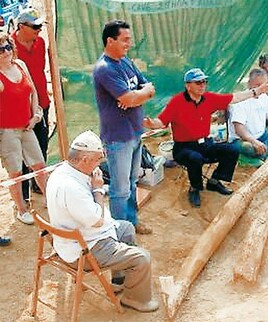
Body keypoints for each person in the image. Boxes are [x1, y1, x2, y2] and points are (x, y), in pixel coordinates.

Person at [46, 130, 158, 312]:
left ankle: (119, 281)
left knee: (127, 228)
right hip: (84, 249)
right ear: (84, 160)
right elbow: (97, 221)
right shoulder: (72, 188)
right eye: (98, 159)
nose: (100, 164)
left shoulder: (60, 172)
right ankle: (135, 299)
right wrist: (98, 190)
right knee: (142, 258)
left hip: (75, 238)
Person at [143, 68, 268, 208]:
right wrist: (151, 124)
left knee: (231, 150)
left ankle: (214, 181)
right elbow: (161, 121)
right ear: (188, 85)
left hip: (205, 143)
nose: (202, 85)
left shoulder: (208, 99)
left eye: (204, 81)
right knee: (195, 158)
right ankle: (195, 188)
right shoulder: (177, 102)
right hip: (183, 147)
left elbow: (234, 98)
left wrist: (257, 91)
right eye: (198, 82)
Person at [92, 20, 155, 234]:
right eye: (125, 39)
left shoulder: (125, 61)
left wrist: (139, 95)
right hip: (118, 138)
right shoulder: (104, 69)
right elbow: (129, 98)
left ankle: (132, 222)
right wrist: (134, 96)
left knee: (132, 183)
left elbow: (148, 86)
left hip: (135, 132)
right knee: (120, 190)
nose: (129, 43)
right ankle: (118, 231)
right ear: (110, 41)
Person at [0, 32, 47, 225]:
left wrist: (36, 115)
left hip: (27, 126)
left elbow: (33, 91)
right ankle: (21, 209)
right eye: (0, 50)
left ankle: (52, 200)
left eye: (7, 47)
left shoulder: (21, 65)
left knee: (39, 166)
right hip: (7, 131)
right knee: (16, 172)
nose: (5, 52)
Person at [12, 8, 51, 200]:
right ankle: (23, 195)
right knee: (19, 153)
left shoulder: (41, 42)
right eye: (35, 26)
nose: (39, 29)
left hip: (41, 103)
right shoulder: (8, 50)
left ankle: (38, 185)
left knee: (41, 146)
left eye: (40, 25)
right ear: (21, 27)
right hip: (18, 111)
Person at [228, 68, 268, 161]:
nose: (260, 89)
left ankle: (265, 152)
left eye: (263, 85)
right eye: (257, 85)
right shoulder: (241, 100)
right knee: (248, 148)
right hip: (244, 140)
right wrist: (253, 141)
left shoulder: (264, 96)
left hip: (262, 136)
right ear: (249, 83)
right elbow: (239, 130)